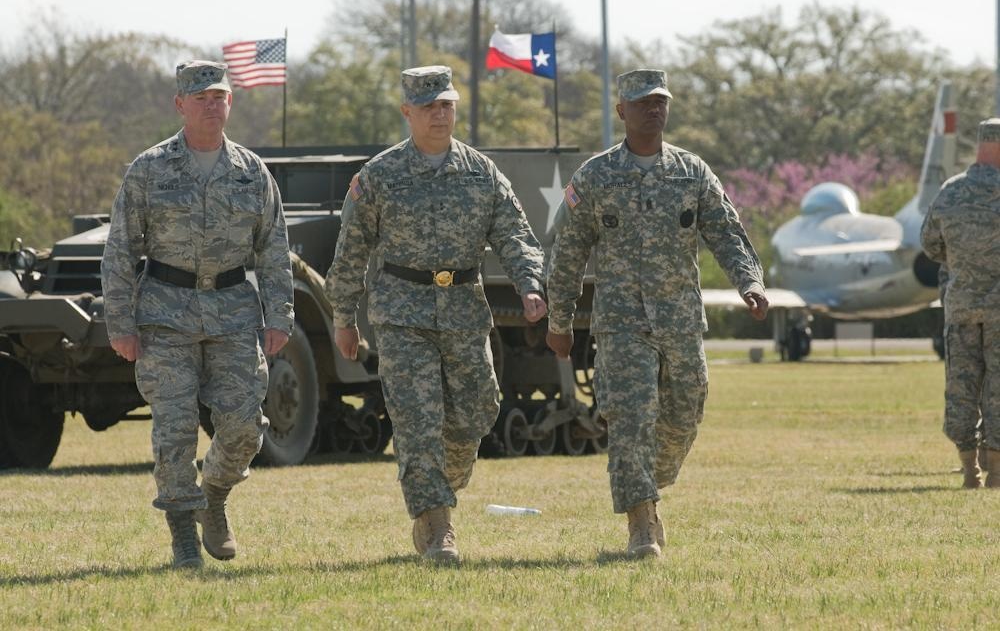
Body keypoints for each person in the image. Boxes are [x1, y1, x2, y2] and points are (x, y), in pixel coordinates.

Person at [325, 65, 547, 564]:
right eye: (428, 106)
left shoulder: (480, 172)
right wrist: (344, 317)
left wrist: (530, 284)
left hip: (465, 312)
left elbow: (514, 233)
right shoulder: (379, 175)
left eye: (446, 104)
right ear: (408, 112)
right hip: (401, 314)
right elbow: (351, 251)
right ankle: (437, 524)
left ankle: (441, 487)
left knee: (477, 413)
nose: (439, 114)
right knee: (417, 422)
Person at [545, 69, 769, 558]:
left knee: (685, 411)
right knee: (630, 418)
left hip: (680, 321)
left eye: (660, 101)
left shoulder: (692, 172)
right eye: (643, 102)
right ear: (622, 111)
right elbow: (566, 253)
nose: (654, 109)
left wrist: (749, 282)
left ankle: (653, 478)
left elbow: (726, 233)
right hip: (623, 325)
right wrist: (559, 321)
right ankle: (640, 521)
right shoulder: (596, 176)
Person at [101, 60, 294, 568]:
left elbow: (274, 249)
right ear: (180, 104)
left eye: (220, 97)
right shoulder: (150, 168)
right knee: (174, 429)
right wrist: (120, 323)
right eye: (201, 97)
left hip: (233, 314)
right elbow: (120, 250)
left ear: (230, 103)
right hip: (165, 314)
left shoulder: (251, 172)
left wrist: (280, 315)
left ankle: (214, 495)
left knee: (245, 427)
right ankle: (183, 531)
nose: (212, 105)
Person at [921, 117, 1000, 489]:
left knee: (962, 388)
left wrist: (961, 262)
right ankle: (998, 472)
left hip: (963, 307)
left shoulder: (951, 192)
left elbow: (930, 245)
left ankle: (970, 470)